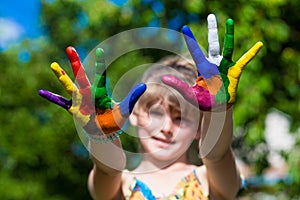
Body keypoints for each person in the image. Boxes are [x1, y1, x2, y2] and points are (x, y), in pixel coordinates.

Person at [39, 14, 263, 199]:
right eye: (156, 113)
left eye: (180, 118)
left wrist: (218, 111)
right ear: (134, 114)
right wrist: (102, 133)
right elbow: (108, 169)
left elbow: (218, 154)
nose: (166, 127)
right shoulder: (122, 184)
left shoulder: (208, 178)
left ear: (198, 129)